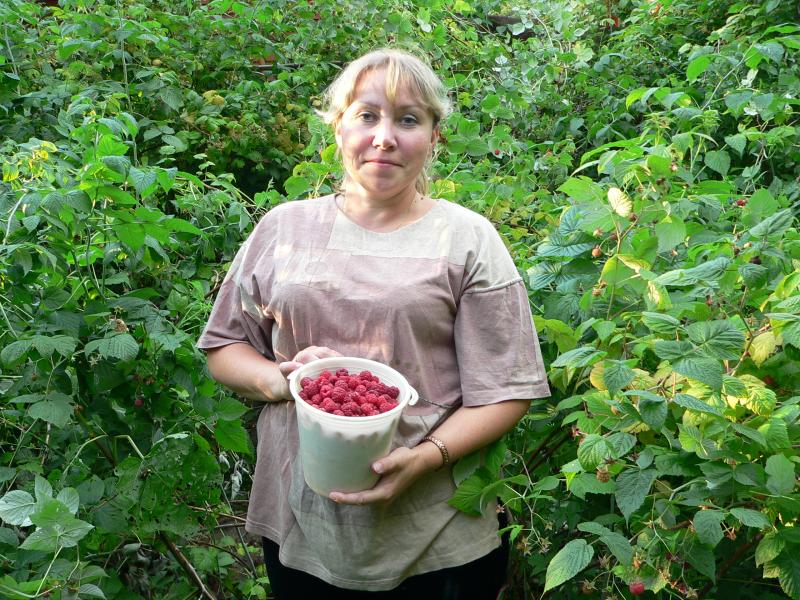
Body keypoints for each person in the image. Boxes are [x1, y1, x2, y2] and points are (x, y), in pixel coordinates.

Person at [197, 48, 551, 599]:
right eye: (366, 115)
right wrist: (280, 380)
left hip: (436, 531)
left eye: (408, 119)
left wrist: (424, 460)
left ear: (434, 136)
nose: (384, 137)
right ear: (337, 127)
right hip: (303, 521)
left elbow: (508, 389)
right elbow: (224, 347)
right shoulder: (281, 229)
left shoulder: (467, 238)